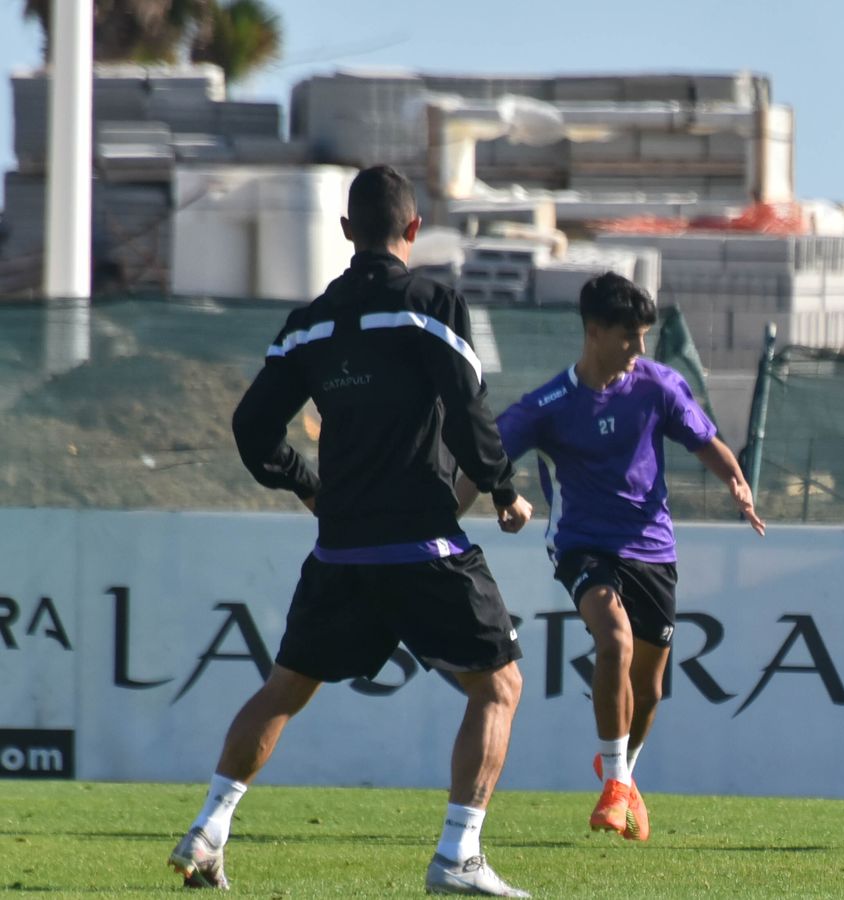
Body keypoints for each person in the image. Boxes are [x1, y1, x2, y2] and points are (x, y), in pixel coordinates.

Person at [168, 165, 536, 897]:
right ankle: (458, 856)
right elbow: (467, 409)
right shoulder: (431, 305)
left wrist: (308, 484)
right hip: (423, 544)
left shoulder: (309, 322)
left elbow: (250, 428)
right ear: (414, 229)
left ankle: (208, 828)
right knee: (499, 686)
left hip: (341, 549)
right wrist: (501, 486)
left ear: (345, 231)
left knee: (283, 689)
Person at [466, 272, 764, 842]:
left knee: (648, 690)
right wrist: (461, 512)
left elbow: (706, 442)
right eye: (629, 335)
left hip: (653, 548)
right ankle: (616, 784)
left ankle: (621, 775)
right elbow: (485, 455)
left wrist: (736, 481)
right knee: (615, 640)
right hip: (583, 545)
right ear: (594, 332)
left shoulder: (658, 386)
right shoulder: (550, 405)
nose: (639, 347)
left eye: (644, 335)